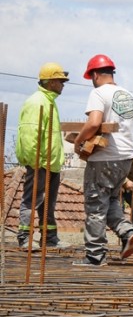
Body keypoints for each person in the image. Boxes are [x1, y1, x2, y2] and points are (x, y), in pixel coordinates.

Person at [72, 54, 133, 266]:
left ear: (95, 75)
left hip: (103, 159)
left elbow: (94, 123)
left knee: (95, 205)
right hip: (126, 159)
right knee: (111, 199)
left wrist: (78, 141)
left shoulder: (98, 93)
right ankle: (127, 232)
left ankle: (95, 256)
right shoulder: (130, 97)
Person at [15, 62, 70, 249]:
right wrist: (35, 162)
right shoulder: (37, 102)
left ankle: (49, 238)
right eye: (60, 81)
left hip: (51, 163)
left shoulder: (49, 101)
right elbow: (30, 135)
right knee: (32, 200)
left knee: (47, 204)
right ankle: (25, 238)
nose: (63, 85)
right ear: (51, 82)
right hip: (40, 163)